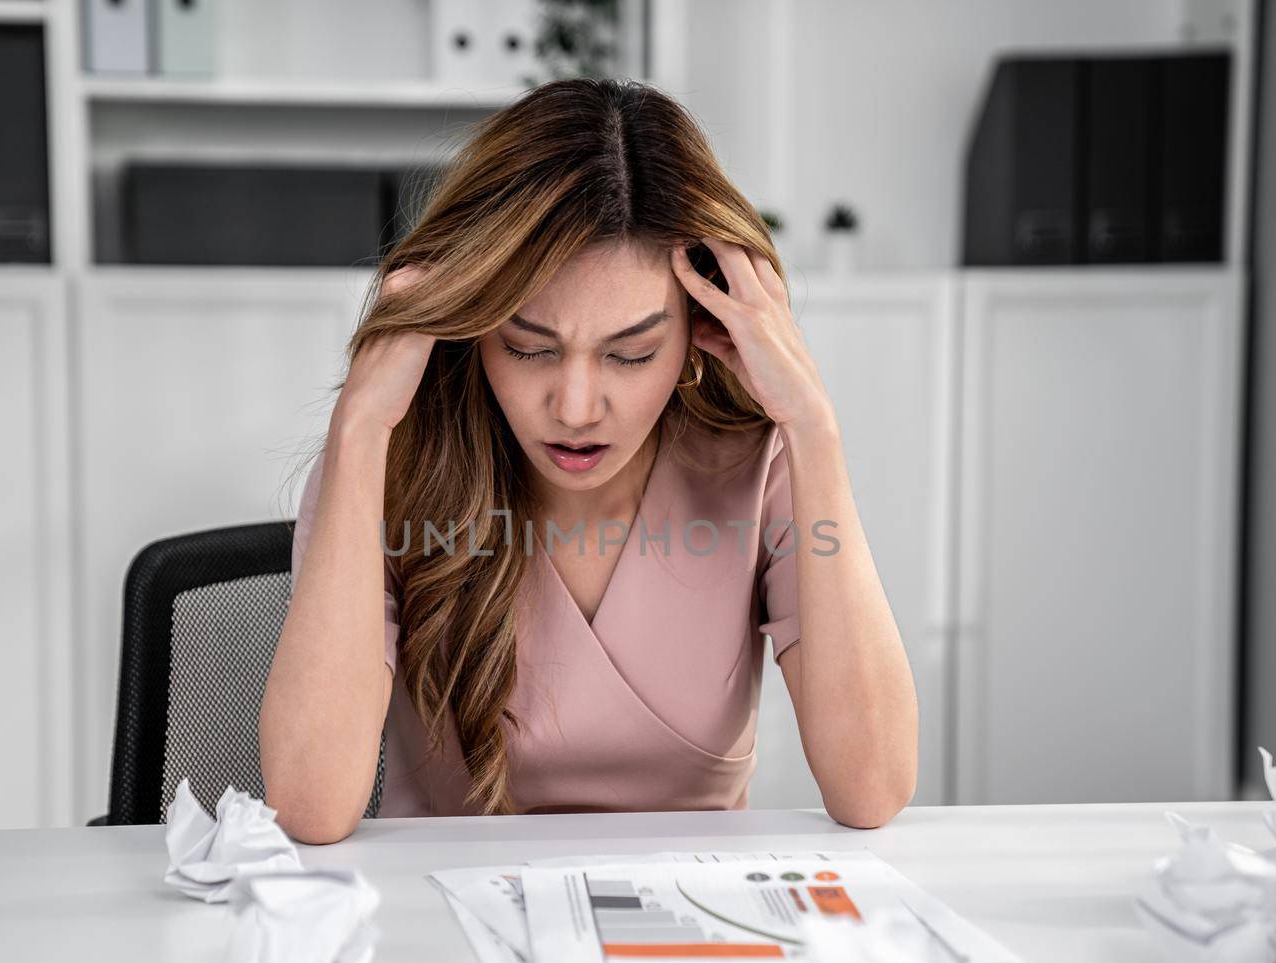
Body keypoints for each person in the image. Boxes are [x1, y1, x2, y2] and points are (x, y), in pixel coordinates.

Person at [259, 78, 917, 842]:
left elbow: (873, 788)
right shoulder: (384, 467)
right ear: (471, 331)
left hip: (691, 928)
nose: (575, 406)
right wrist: (362, 426)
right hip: (443, 929)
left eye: (631, 353)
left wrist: (813, 426)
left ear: (700, 332)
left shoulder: (757, 465)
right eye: (529, 346)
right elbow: (308, 806)